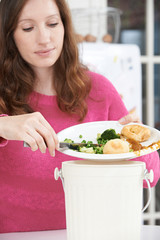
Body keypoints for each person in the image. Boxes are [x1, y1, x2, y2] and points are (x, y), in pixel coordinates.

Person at [0, 0, 159, 234]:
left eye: (52, 24)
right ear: (9, 34)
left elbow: (153, 175)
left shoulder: (98, 90)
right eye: (28, 28)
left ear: (64, 26)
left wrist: (135, 144)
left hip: (93, 233)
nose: (44, 38)